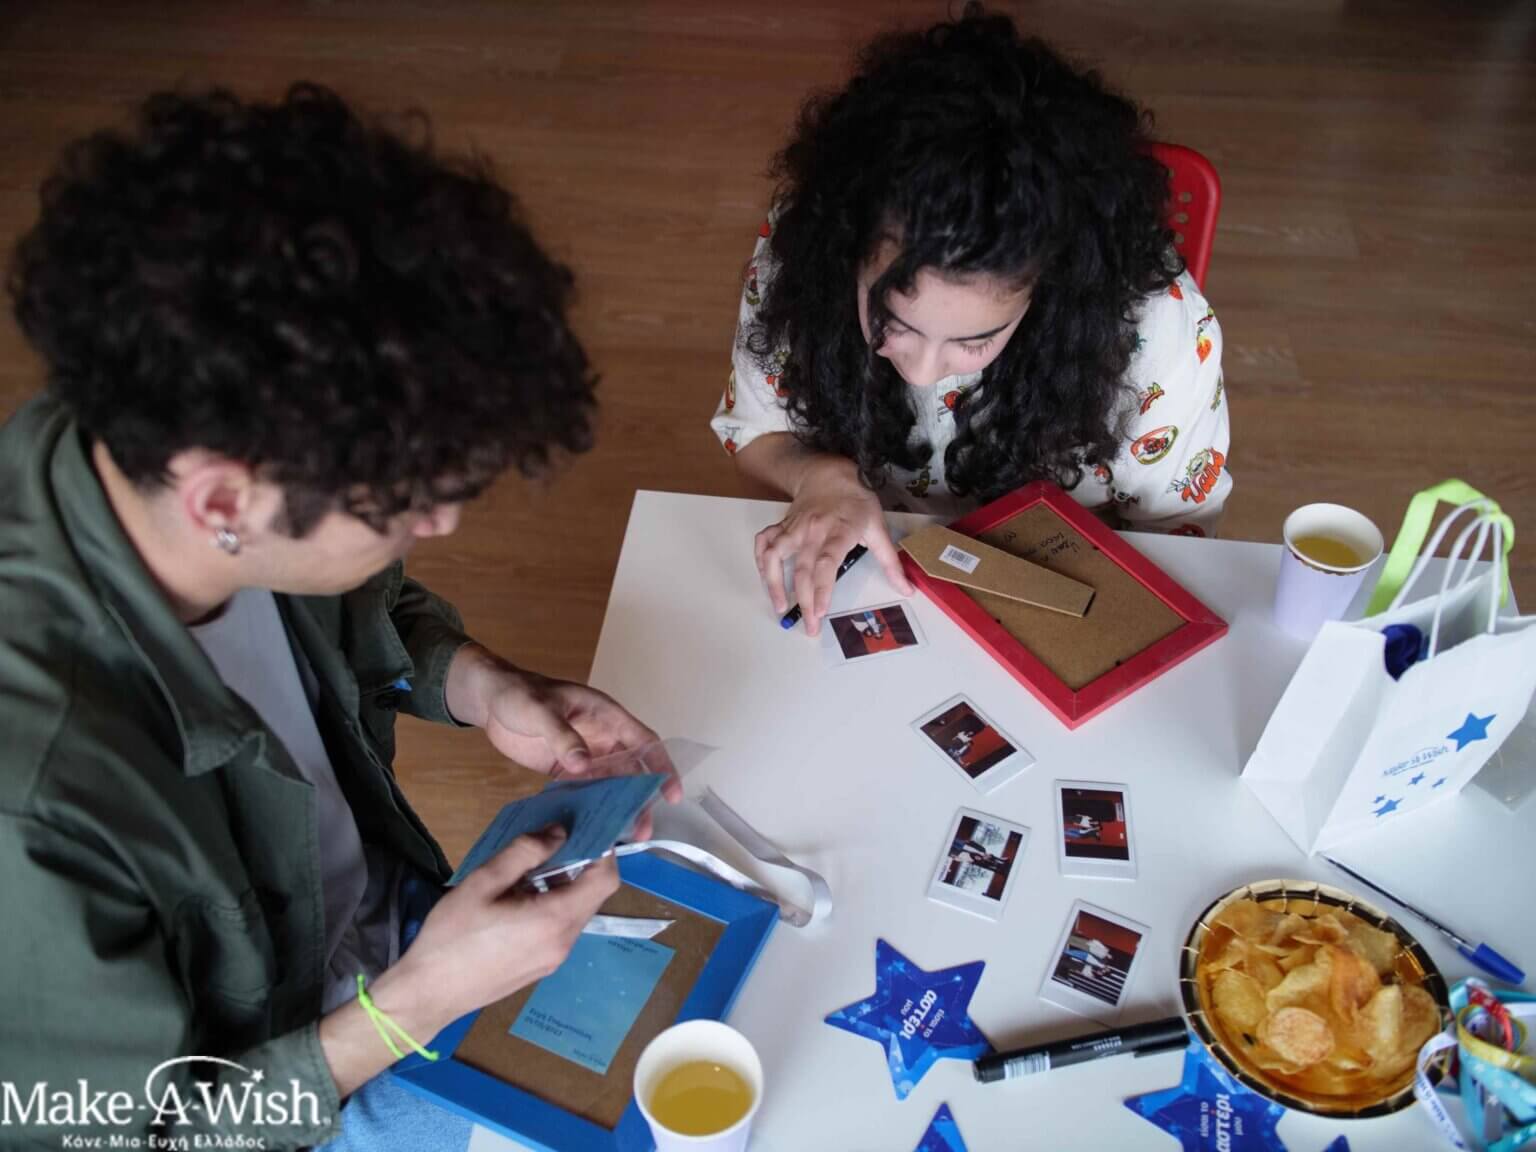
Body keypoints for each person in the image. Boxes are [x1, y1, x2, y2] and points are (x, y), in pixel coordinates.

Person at [0, 85, 676, 1150]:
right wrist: (410, 1007)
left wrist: (483, 685)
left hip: (384, 942)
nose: (441, 524)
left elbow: (351, 604)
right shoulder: (30, 812)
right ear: (222, 502)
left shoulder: (157, 419)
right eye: (403, 506)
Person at [711, 8, 1231, 635]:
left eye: (975, 340)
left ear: (1050, 290)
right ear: (848, 251)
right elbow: (755, 428)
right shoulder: (804, 251)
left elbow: (1179, 529)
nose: (921, 370)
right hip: (876, 564)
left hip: (1069, 595)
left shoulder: (1154, 329)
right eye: (893, 321)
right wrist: (819, 477)